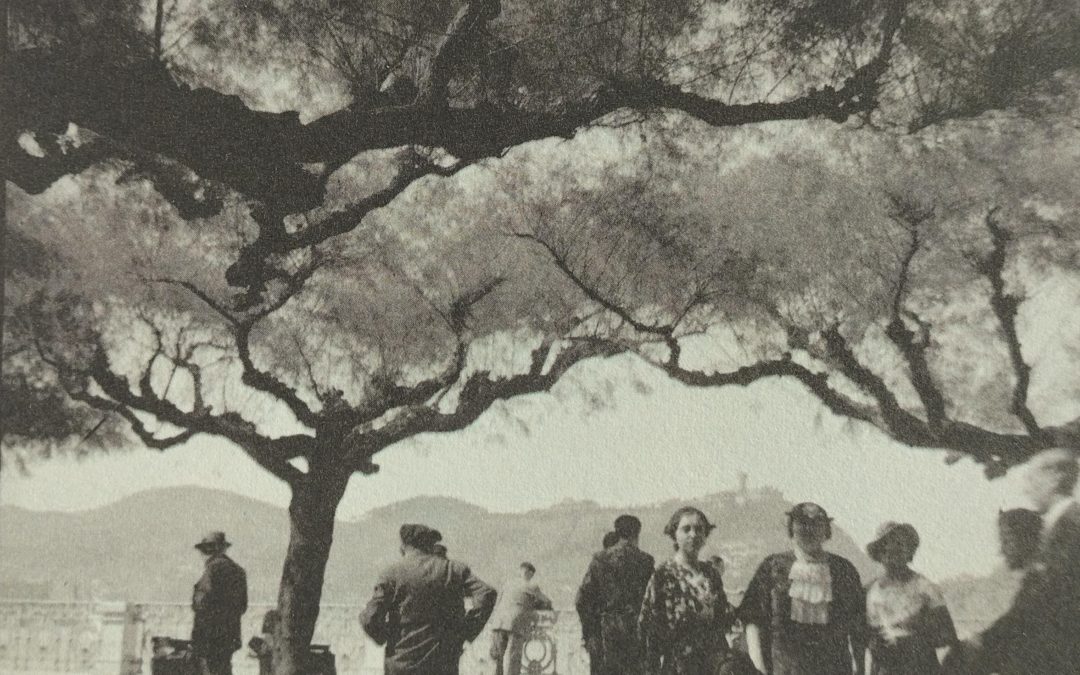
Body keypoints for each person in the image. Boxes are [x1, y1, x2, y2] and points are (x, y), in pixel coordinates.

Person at [963, 446, 1080, 674]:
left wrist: (980, 644)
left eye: (1031, 478)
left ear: (1055, 477)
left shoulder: (1071, 526)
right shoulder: (1056, 527)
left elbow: (1040, 604)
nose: (1026, 489)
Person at [739, 502, 866, 675]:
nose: (809, 530)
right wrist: (757, 667)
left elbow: (858, 628)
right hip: (783, 668)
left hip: (834, 668)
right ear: (792, 529)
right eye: (802, 524)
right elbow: (753, 620)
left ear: (826, 531)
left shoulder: (843, 569)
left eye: (816, 524)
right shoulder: (773, 566)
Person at [361, 524, 497, 675]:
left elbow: (369, 619)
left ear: (404, 546)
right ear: (431, 545)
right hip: (443, 662)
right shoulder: (453, 570)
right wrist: (464, 632)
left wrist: (385, 637)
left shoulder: (391, 574)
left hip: (401, 664)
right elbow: (487, 594)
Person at [638, 506, 738, 674]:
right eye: (686, 529)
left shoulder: (711, 573)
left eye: (699, 529)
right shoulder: (663, 575)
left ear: (705, 535)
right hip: (679, 666)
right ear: (674, 535)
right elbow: (647, 629)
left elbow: (723, 617)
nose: (693, 535)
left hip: (713, 665)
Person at [864, 522, 957, 674]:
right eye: (886, 545)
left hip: (920, 667)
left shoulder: (925, 588)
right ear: (879, 553)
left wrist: (913, 639)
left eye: (899, 545)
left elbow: (948, 635)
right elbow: (863, 635)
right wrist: (874, 643)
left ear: (909, 553)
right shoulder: (869, 592)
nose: (892, 550)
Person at [576, 515, 656, 675]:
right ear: (637, 534)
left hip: (605, 636)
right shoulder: (646, 561)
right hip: (637, 636)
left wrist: (589, 633)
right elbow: (655, 601)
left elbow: (582, 600)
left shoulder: (601, 559)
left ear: (617, 532)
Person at [191, 531, 248, 675]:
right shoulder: (238, 571)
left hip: (209, 637)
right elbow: (242, 606)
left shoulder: (213, 569)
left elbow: (201, 602)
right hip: (229, 636)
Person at [489, 562, 554, 675]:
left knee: (496, 657)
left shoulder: (507, 584)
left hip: (498, 622)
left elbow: (498, 602)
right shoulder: (532, 586)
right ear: (529, 573)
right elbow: (547, 602)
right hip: (515, 625)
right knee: (514, 658)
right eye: (532, 575)